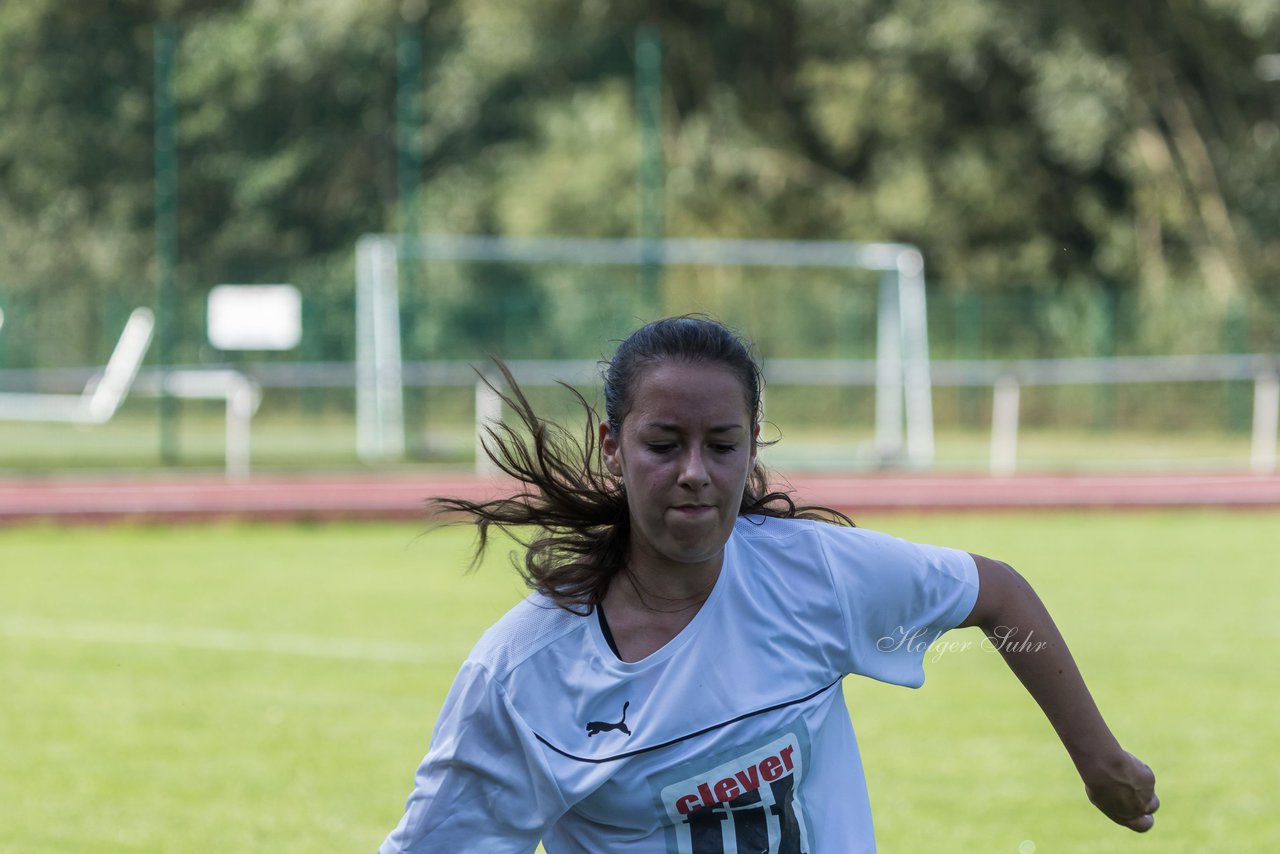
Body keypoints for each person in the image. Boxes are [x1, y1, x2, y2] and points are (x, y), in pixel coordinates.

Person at [380, 315, 1158, 853]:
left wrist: (1100, 759)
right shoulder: (523, 675)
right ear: (613, 447)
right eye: (663, 443)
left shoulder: (811, 575)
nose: (694, 472)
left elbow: (997, 596)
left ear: (752, 449)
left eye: (721, 444)